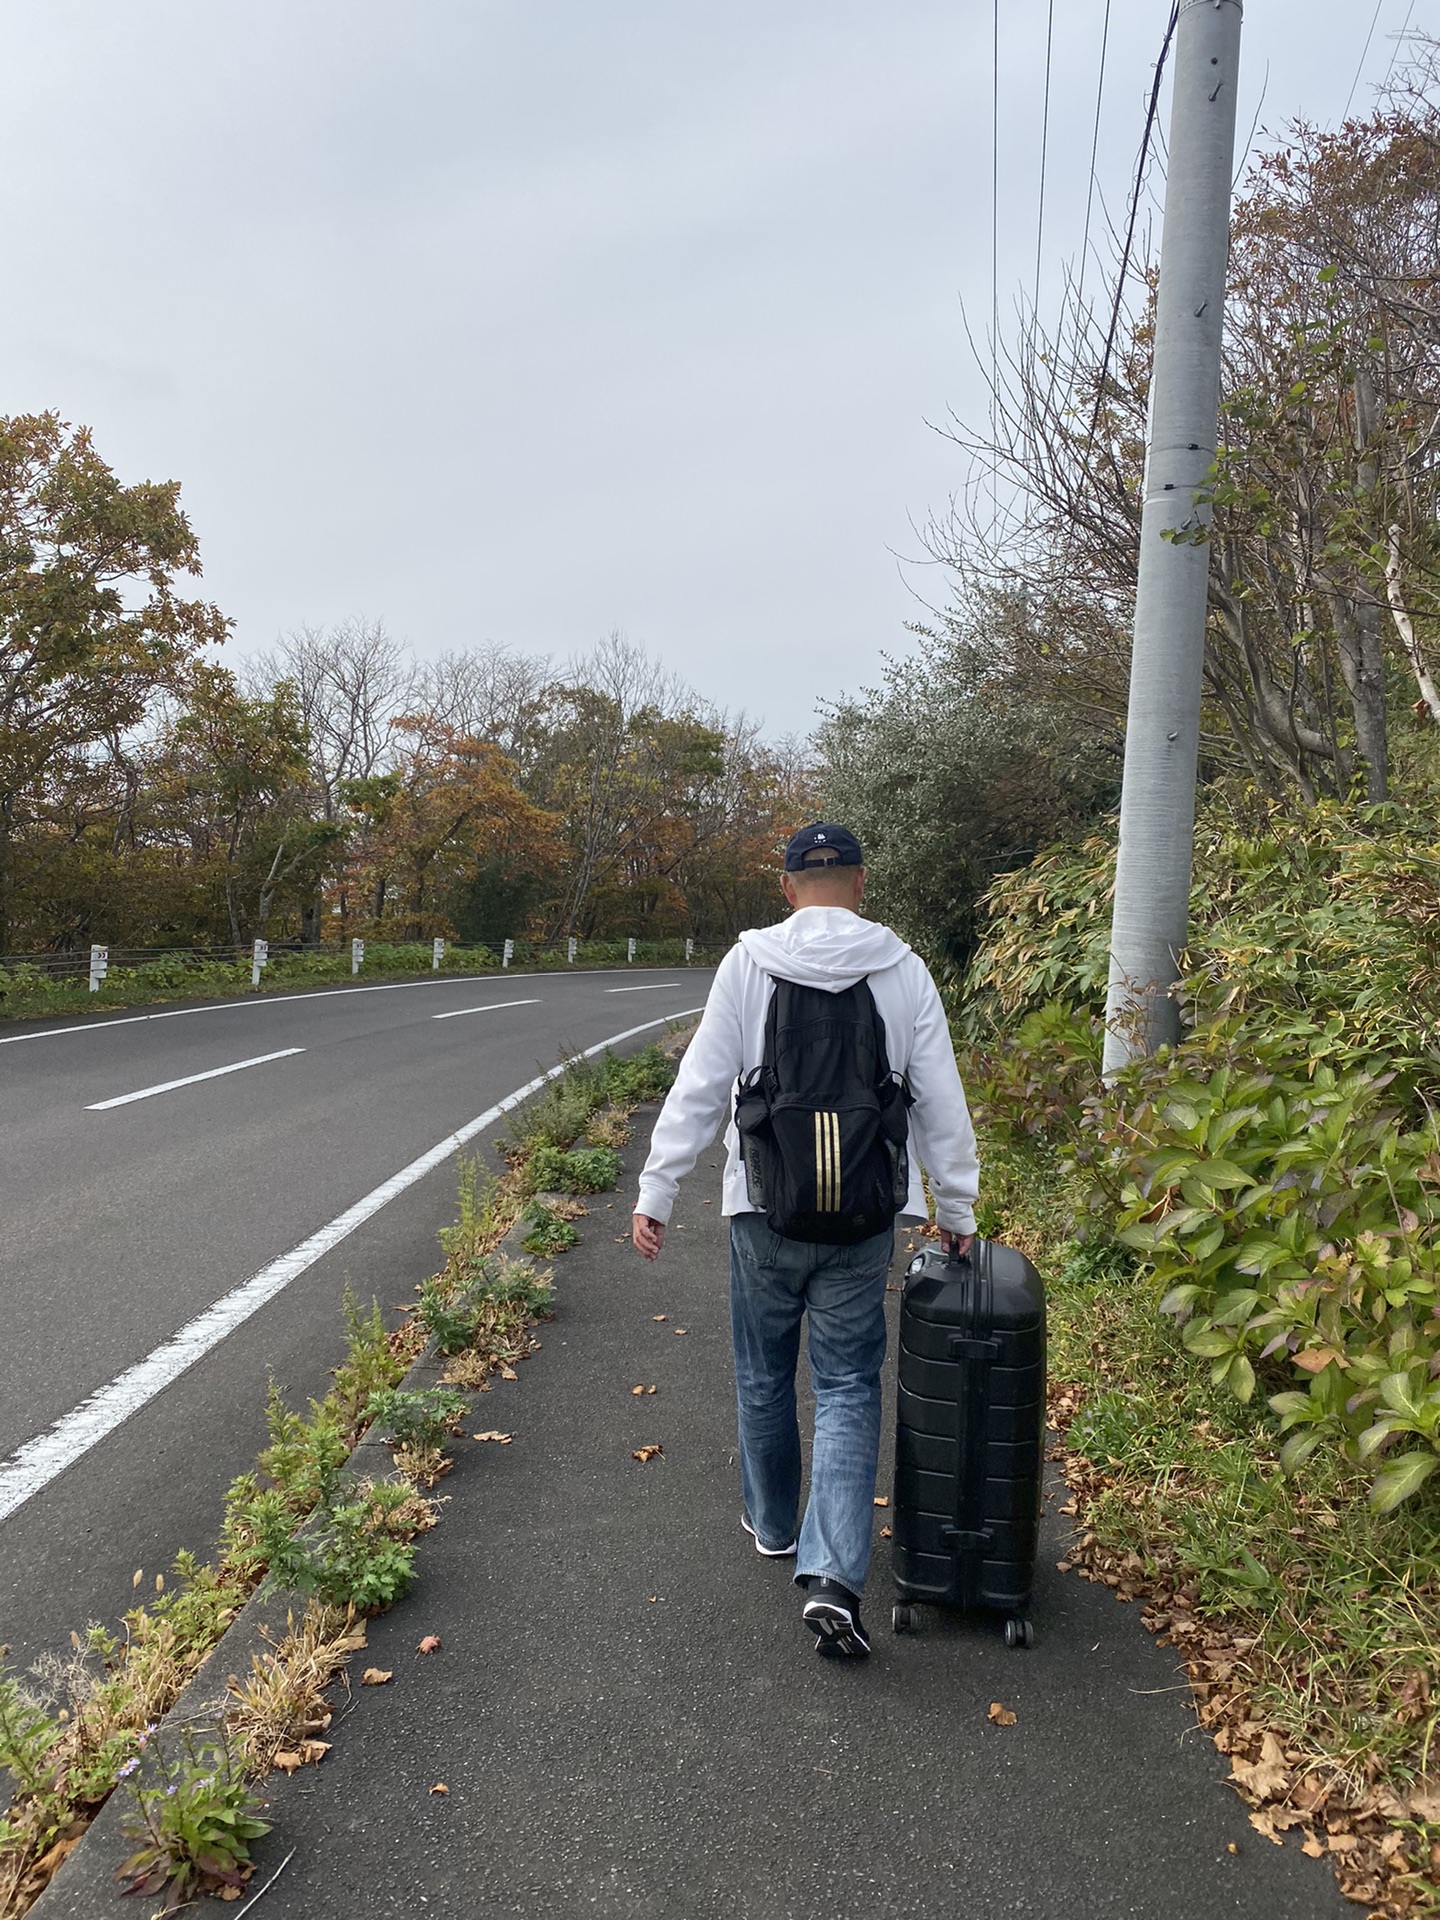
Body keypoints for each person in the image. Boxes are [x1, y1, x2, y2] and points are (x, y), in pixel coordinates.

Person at [632, 822, 979, 1658]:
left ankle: (776, 1525)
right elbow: (938, 1098)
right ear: (860, 883)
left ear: (787, 888)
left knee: (763, 1373)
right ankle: (832, 1575)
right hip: (865, 1216)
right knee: (851, 1385)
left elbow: (703, 1084)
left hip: (762, 1206)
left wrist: (658, 1188)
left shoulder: (747, 964)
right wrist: (956, 1208)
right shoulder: (902, 969)